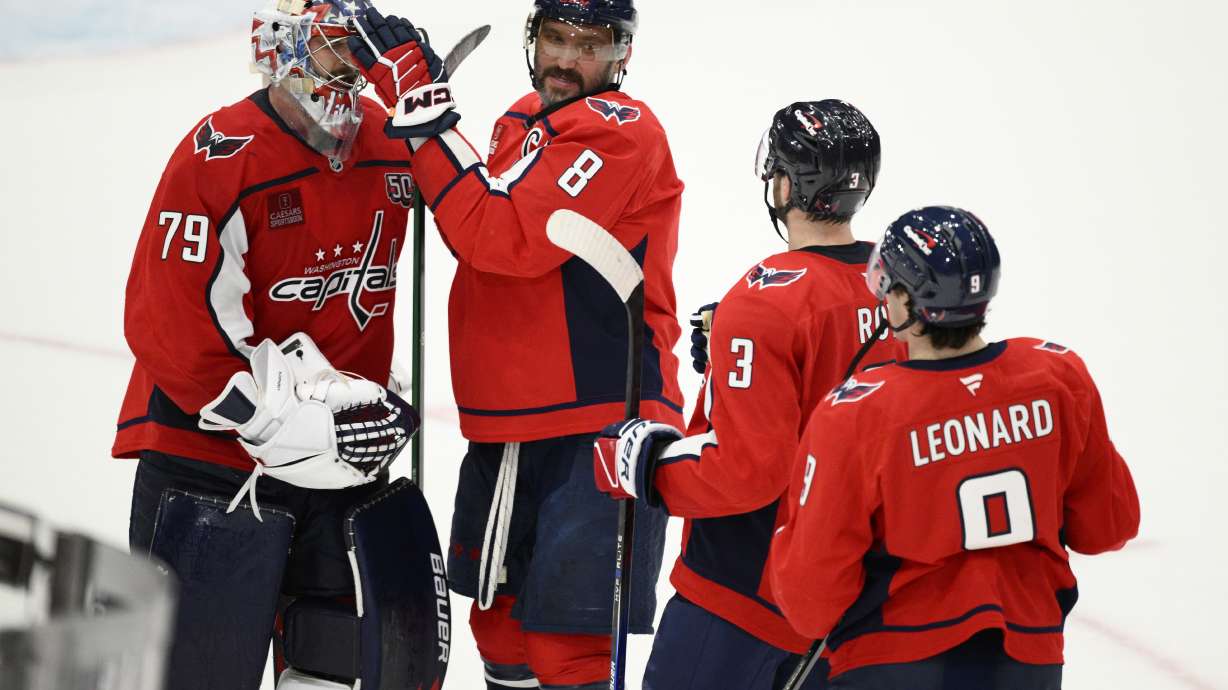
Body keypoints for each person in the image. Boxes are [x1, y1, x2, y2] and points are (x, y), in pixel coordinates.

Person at [345, 1, 685, 688]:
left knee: (570, 646)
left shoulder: (621, 132)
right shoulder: (521, 118)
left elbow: (500, 236)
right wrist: (432, 147)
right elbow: (476, 231)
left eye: (589, 45)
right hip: (513, 415)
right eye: (556, 38)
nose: (567, 59)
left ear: (623, 54)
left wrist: (425, 116)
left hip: (599, 416)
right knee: (499, 630)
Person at [113, 2, 428, 688]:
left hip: (343, 469)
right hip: (212, 470)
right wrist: (273, 420)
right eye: (333, 48)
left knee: (339, 674)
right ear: (282, 48)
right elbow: (168, 326)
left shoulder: (394, 141)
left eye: (362, 49)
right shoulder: (222, 153)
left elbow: (487, 227)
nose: (354, 69)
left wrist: (433, 117)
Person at [591, 100, 901, 690]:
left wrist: (651, 469)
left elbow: (750, 470)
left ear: (785, 182)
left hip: (742, 596)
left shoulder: (764, 301)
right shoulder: (899, 288)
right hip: (848, 597)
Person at [767, 206, 1141, 689]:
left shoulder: (858, 412)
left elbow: (810, 600)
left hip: (892, 663)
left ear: (904, 301)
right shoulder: (1056, 376)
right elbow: (1109, 526)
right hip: (1028, 659)